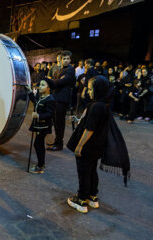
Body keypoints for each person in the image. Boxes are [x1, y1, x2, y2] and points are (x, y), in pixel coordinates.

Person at [67, 75, 112, 213]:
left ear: (99, 89)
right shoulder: (104, 104)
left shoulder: (95, 106)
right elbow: (92, 122)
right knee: (92, 170)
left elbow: (90, 128)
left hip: (88, 146)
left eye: (91, 89)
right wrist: (79, 119)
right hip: (97, 146)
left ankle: (81, 200)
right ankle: (92, 197)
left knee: (83, 172)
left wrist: (79, 146)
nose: (88, 91)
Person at [47, 50, 75, 151]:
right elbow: (57, 81)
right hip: (55, 97)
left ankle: (59, 144)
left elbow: (61, 82)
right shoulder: (60, 70)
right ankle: (56, 142)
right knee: (55, 121)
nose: (66, 60)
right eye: (64, 59)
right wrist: (56, 81)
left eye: (68, 59)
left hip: (62, 99)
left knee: (59, 122)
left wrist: (52, 81)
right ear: (61, 60)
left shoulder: (70, 70)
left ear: (70, 60)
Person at [26, 79, 55, 174]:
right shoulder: (41, 96)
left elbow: (50, 113)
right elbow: (35, 101)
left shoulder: (50, 99)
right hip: (38, 125)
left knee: (37, 144)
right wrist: (30, 92)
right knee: (40, 144)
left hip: (43, 126)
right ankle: (41, 164)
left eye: (43, 85)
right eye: (40, 85)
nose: (40, 87)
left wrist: (38, 116)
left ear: (49, 88)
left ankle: (40, 166)